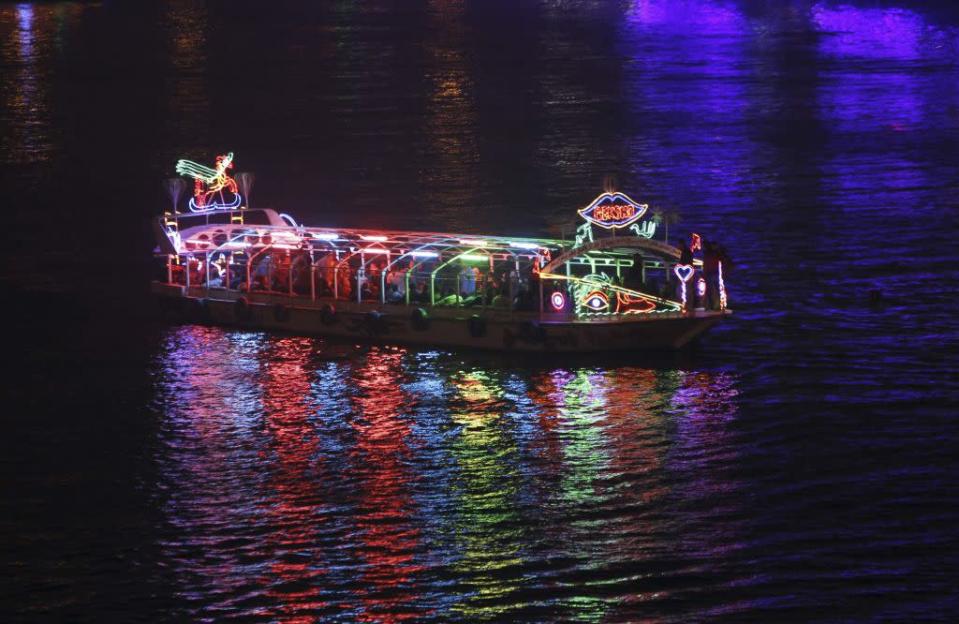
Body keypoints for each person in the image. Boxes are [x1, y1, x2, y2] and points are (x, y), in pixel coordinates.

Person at [702, 239, 720, 310]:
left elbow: (707, 265)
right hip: (713, 273)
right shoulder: (714, 253)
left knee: (711, 290)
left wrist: (704, 273)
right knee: (713, 290)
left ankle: (713, 305)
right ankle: (714, 305)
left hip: (710, 274)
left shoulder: (709, 254)